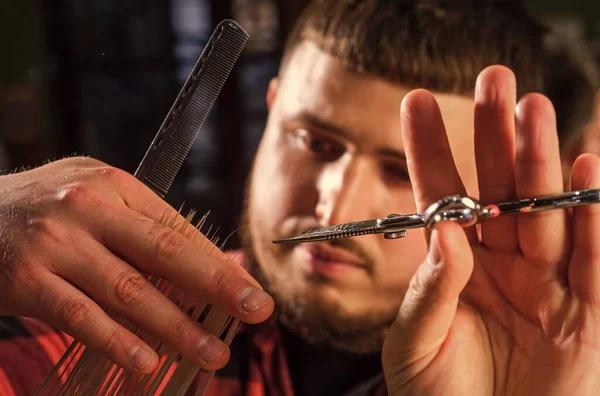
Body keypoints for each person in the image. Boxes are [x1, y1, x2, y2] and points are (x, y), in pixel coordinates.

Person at [1, 0, 599, 395]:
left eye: (401, 172)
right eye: (315, 141)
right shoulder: (99, 318)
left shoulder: (539, 367)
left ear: (486, 201)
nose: (333, 211)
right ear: (272, 107)